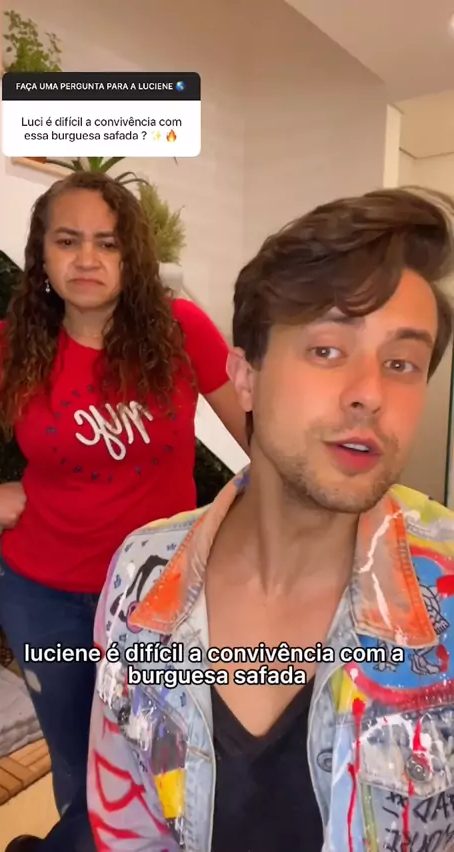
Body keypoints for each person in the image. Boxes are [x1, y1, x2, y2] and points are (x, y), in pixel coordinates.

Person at [87, 186, 454, 852]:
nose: (371, 394)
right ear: (245, 378)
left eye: (402, 363)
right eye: (327, 350)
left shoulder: (446, 591)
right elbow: (125, 819)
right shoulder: (141, 578)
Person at [0, 171, 247, 852]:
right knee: (79, 766)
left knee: (168, 764)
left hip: (162, 601)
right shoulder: (15, 346)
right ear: (41, 254)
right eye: (68, 241)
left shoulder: (180, 331)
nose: (87, 259)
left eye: (108, 242)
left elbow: (265, 442)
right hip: (47, 598)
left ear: (133, 256)